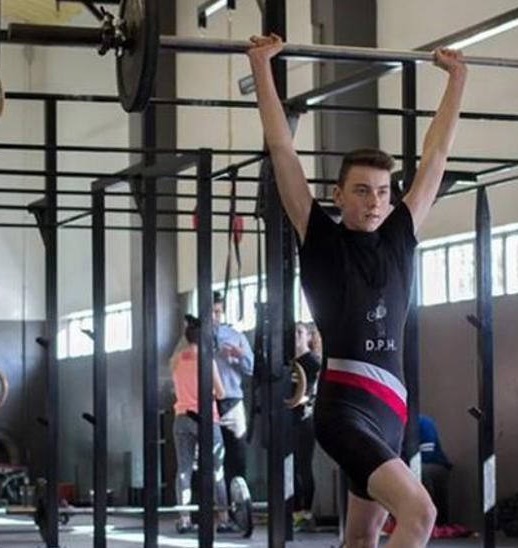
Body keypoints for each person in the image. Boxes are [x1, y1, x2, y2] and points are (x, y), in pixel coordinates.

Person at [248, 33, 466, 547]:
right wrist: (261, 66)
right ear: (338, 194)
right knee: (420, 513)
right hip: (344, 410)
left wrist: (458, 80)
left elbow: (436, 156)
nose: (374, 201)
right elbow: (282, 148)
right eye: (362, 191)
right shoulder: (321, 239)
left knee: (360, 539)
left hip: (391, 411)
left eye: (383, 192)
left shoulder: (400, 236)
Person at [169, 315, 237, 534]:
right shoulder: (208, 360)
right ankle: (224, 519)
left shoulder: (176, 360)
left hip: (181, 418)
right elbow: (221, 392)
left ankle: (185, 519)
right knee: (216, 469)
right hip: (206, 418)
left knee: (184, 471)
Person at [208, 292, 255, 497]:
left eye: (218, 312)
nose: (215, 317)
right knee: (210, 460)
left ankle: (239, 509)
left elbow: (252, 368)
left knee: (237, 456)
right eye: (210, 312)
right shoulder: (195, 338)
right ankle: (213, 513)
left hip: (233, 402)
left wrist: (240, 355)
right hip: (207, 403)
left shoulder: (236, 336)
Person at [287, 322, 323, 531]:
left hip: (305, 420)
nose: (295, 337)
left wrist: (304, 399)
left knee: (303, 467)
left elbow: (315, 390)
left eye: (299, 333)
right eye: (293, 333)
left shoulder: (313, 362)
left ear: (309, 336)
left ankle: (306, 514)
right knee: (289, 469)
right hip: (288, 420)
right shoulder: (289, 362)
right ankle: (295, 512)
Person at [417, 414, 452, 526]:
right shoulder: (395, 424)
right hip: (410, 464)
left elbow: (428, 454)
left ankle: (430, 519)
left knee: (422, 472)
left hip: (434, 463)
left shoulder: (423, 422)